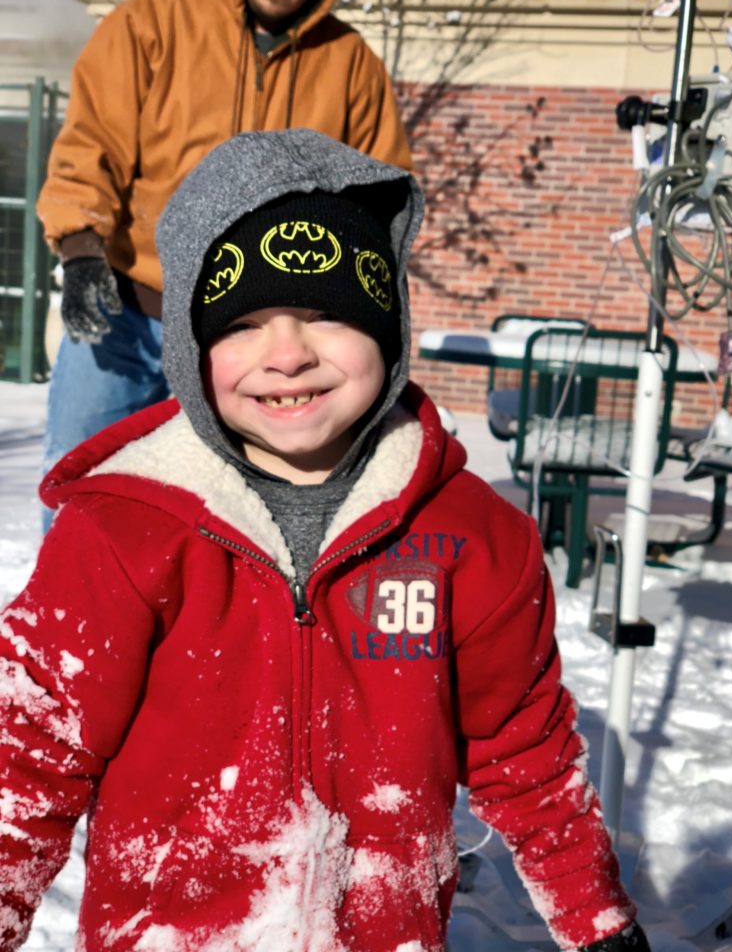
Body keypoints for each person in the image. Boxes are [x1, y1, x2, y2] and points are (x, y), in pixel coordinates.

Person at [1, 129, 650, 952]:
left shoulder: (473, 541)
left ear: (388, 328)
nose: (287, 355)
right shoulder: (124, 531)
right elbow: (28, 755)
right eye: (243, 325)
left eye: (324, 315)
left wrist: (594, 915)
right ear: (191, 350)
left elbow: (526, 750)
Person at [35, 0, 410, 513]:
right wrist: (81, 249)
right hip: (131, 313)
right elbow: (90, 146)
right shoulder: (154, 23)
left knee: (234, 514)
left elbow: (376, 192)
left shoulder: (349, 64)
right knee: (84, 494)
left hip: (257, 340)